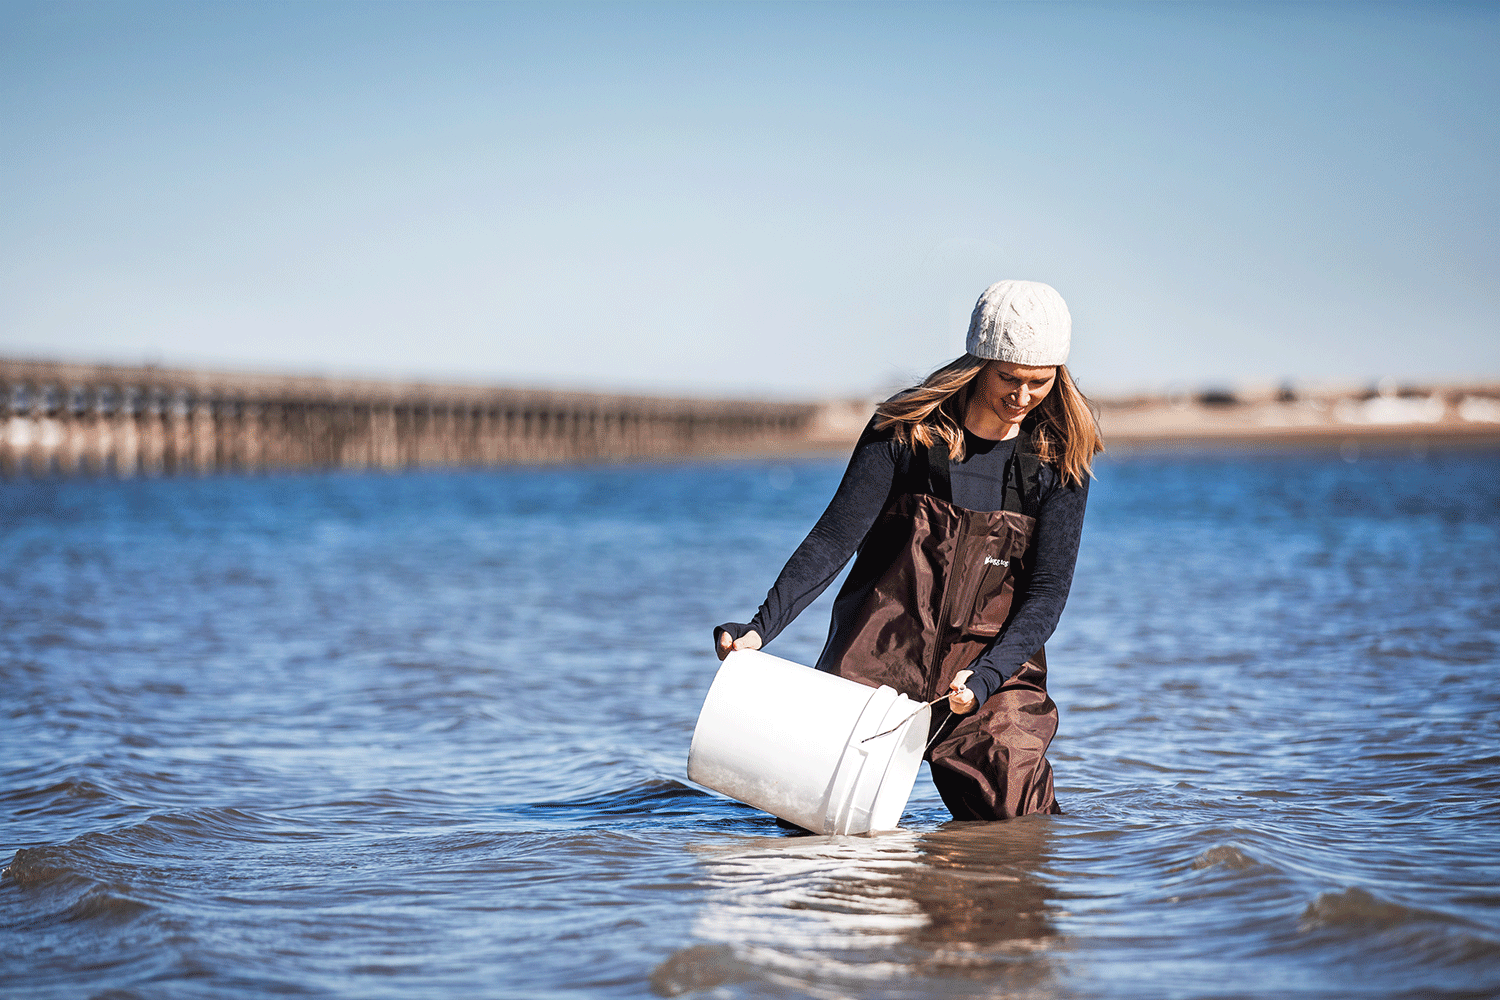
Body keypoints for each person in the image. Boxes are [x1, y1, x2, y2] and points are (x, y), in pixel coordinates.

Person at [714, 279, 1103, 821]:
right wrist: (761, 626)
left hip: (990, 669)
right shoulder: (905, 432)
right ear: (977, 363)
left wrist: (988, 676)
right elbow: (834, 539)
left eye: (1038, 383)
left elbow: (1046, 596)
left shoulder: (1059, 459)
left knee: (1020, 835)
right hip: (878, 649)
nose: (1022, 397)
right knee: (813, 827)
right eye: (1008, 378)